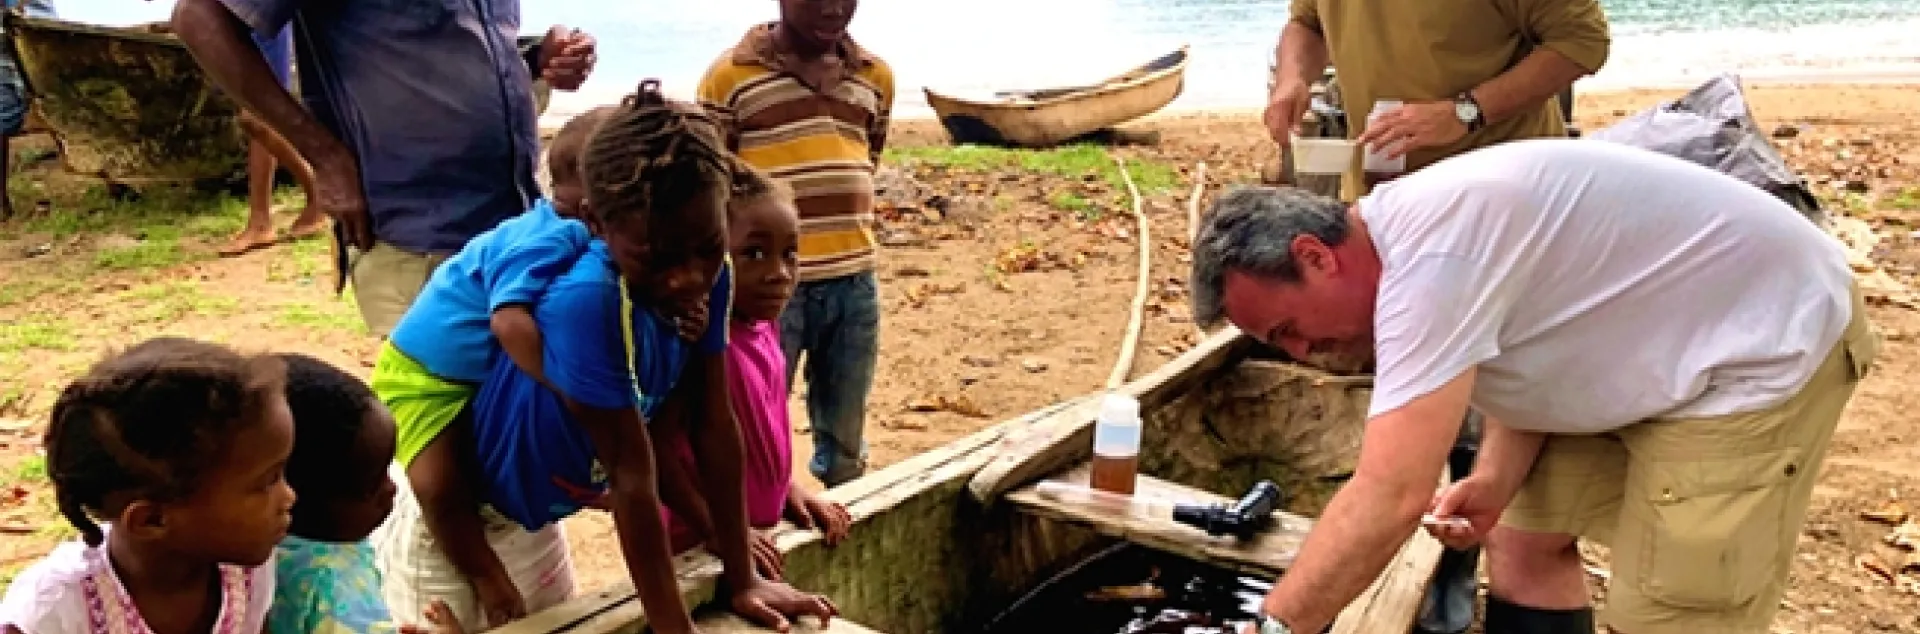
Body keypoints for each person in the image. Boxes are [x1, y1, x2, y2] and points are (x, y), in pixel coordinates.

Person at [1189, 139, 1882, 634]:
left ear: (1314, 257)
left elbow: (1390, 494)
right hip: (1648, 339)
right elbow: (1539, 331)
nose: (1304, 354)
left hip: (1759, 342)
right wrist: (1492, 479)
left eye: (1287, 331)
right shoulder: (1406, 247)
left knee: (1673, 610)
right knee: (1523, 539)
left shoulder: (1431, 262)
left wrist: (1275, 627)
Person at [374, 81, 839, 634]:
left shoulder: (711, 271)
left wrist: (743, 577)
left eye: (707, 250)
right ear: (594, 223)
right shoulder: (586, 301)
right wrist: (675, 628)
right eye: (657, 257)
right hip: (459, 525)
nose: (687, 277)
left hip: (537, 518)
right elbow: (630, 474)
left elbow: (715, 424)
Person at [171, 0, 598, 336]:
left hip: (512, 219)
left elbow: (447, 46)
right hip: (416, 233)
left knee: (511, 420)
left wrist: (539, 57)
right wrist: (324, 156)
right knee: (440, 420)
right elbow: (199, 17)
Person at [697, 0, 895, 487]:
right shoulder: (731, 76)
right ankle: (754, 520)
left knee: (846, 428)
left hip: (854, 279)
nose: (832, 7)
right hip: (768, 289)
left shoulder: (875, 77)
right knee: (756, 420)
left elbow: (869, 154)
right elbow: (713, 184)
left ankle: (851, 514)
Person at [0, 338, 292, 634]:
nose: (289, 497)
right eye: (266, 483)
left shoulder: (244, 571)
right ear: (151, 520)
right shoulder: (53, 613)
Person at [657, 163, 854, 562]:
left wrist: (788, 490)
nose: (779, 274)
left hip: (759, 535)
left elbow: (764, 425)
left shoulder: (765, 326)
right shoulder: (695, 342)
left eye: (790, 253)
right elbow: (655, 454)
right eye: (754, 254)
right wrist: (718, 530)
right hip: (696, 544)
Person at [1264, 0, 1611, 193]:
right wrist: (1292, 77)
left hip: (1500, 192)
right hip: (1380, 191)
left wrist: (1466, 112)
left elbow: (1583, 42)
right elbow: (1308, 24)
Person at [272, 352, 472, 634]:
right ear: (300, 498)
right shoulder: (332, 587)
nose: (391, 488)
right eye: (371, 486)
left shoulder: (268, 553)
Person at [221, 27, 326, 257]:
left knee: (257, 116)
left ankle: (311, 191)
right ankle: (263, 218)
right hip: (230, 16)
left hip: (261, 16)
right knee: (253, 118)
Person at [0, 0, 55, 218]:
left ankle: (1, 203)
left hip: (29, 23)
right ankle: (112, 182)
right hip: (31, 26)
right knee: (57, 100)